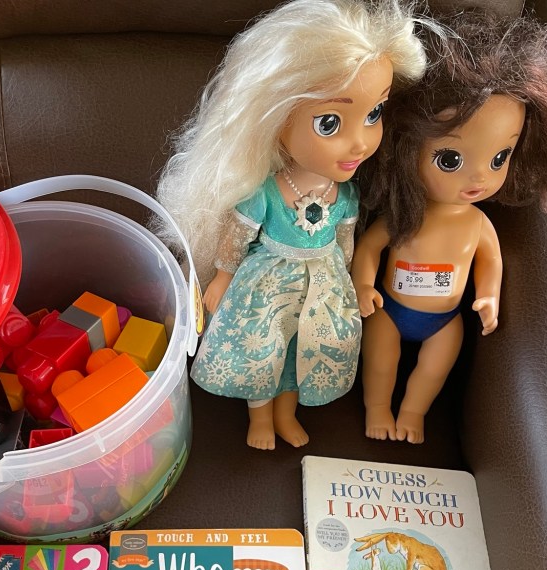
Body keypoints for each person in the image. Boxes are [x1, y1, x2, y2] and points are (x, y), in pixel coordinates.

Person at [157, 0, 427, 449]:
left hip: (323, 288)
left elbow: (345, 242)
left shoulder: (345, 194)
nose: (360, 141)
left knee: (299, 353)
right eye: (330, 122)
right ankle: (260, 419)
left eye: (373, 114)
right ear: (275, 121)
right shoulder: (266, 191)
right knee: (264, 350)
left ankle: (285, 414)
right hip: (267, 286)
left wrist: (354, 284)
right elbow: (239, 235)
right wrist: (222, 277)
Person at [353, 10, 547, 443]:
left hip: (444, 320)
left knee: (434, 368)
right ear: (407, 148)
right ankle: (378, 409)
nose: (479, 177)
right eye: (450, 160)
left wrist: (488, 297)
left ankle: (413, 413)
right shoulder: (405, 214)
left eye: (499, 158)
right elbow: (369, 247)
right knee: (380, 361)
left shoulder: (478, 223)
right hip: (389, 309)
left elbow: (490, 262)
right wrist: (365, 285)